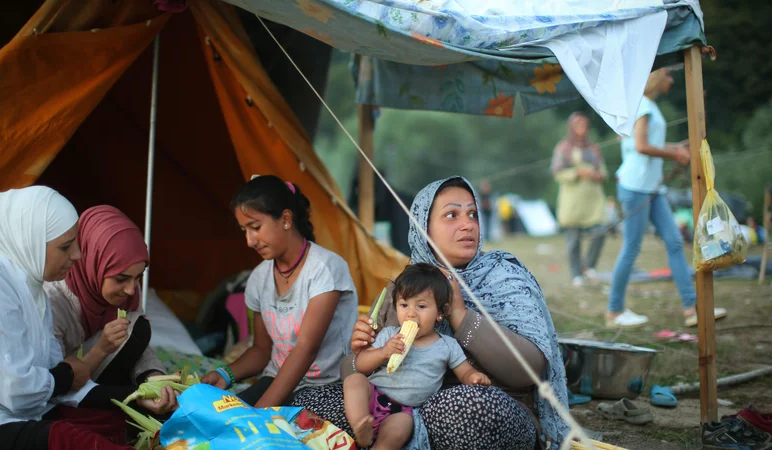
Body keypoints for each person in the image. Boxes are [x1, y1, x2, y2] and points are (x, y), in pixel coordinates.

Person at [291, 176, 570, 450]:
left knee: (467, 408)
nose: (467, 224)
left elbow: (529, 371)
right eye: (451, 215)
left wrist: (459, 315)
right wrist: (360, 352)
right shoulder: (404, 289)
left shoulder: (504, 277)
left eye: (472, 214)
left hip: (479, 412)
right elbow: (350, 373)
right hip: (395, 413)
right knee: (307, 402)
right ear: (424, 227)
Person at [0, 186, 138, 450]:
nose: (77, 255)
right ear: (29, 241)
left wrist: (136, 397)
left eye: (76, 243)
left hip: (29, 412)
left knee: (112, 421)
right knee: (75, 441)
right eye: (65, 246)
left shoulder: (32, 288)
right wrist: (66, 374)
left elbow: (59, 377)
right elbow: (18, 391)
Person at [201, 175, 358, 408]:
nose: (249, 241)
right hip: (276, 380)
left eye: (255, 227)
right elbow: (262, 350)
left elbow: (306, 349)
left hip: (326, 386)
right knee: (215, 416)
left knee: (251, 428)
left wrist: (259, 413)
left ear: (285, 219)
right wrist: (225, 374)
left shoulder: (325, 269)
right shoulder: (259, 278)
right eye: (244, 230)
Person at [610, 68, 725, 329]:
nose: (672, 81)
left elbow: (649, 144)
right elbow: (641, 147)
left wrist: (677, 147)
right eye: (669, 76)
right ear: (655, 78)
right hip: (635, 186)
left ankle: (691, 308)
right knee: (631, 248)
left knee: (674, 241)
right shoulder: (645, 107)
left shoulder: (647, 106)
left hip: (652, 188)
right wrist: (674, 156)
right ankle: (614, 310)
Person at [44, 205, 177, 414]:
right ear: (93, 261)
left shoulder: (129, 290)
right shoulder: (52, 301)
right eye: (120, 278)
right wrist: (101, 349)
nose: (131, 289)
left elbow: (132, 341)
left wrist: (154, 378)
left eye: (138, 277)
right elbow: (55, 385)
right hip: (67, 392)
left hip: (105, 383)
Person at [343, 263, 490, 449]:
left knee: (402, 428)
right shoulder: (389, 334)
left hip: (403, 411)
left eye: (421, 306)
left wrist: (473, 377)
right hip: (373, 395)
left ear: (440, 313)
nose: (410, 313)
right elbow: (362, 365)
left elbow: (464, 371)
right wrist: (383, 352)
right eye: (404, 305)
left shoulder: (447, 345)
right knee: (354, 380)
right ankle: (359, 425)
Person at [551, 112, 609, 287]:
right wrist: (577, 172)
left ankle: (588, 266)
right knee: (573, 240)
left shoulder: (593, 149)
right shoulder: (563, 148)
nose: (582, 129)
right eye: (579, 125)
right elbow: (557, 173)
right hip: (572, 202)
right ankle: (576, 274)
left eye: (585, 125)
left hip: (593, 200)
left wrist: (596, 175)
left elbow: (604, 172)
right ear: (572, 127)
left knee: (601, 231)